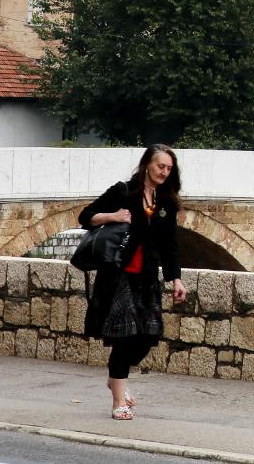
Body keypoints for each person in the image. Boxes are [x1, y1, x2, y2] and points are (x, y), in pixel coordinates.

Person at [79, 144, 187, 421]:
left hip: (147, 278)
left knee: (148, 337)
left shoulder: (165, 202)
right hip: (119, 275)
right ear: (147, 164)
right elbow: (86, 216)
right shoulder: (124, 192)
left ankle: (116, 377)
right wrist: (113, 216)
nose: (164, 172)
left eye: (169, 168)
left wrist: (176, 279)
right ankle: (119, 402)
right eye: (160, 166)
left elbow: (170, 245)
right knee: (124, 338)